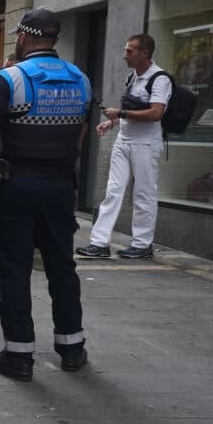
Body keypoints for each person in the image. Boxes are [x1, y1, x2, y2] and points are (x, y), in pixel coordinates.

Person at [0, 8, 93, 381]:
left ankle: (19, 353)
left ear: (22, 38)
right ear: (54, 38)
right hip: (60, 186)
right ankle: (72, 347)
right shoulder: (81, 79)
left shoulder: (10, 78)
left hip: (17, 184)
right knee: (61, 265)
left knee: (15, 266)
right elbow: (80, 132)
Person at [77, 34, 169, 260]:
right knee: (113, 191)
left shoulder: (160, 79)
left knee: (144, 194)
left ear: (144, 53)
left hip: (146, 144)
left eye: (130, 51)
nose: (124, 55)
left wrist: (121, 113)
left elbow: (157, 113)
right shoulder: (132, 77)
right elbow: (130, 110)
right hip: (124, 140)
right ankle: (99, 243)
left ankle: (142, 244)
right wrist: (113, 122)